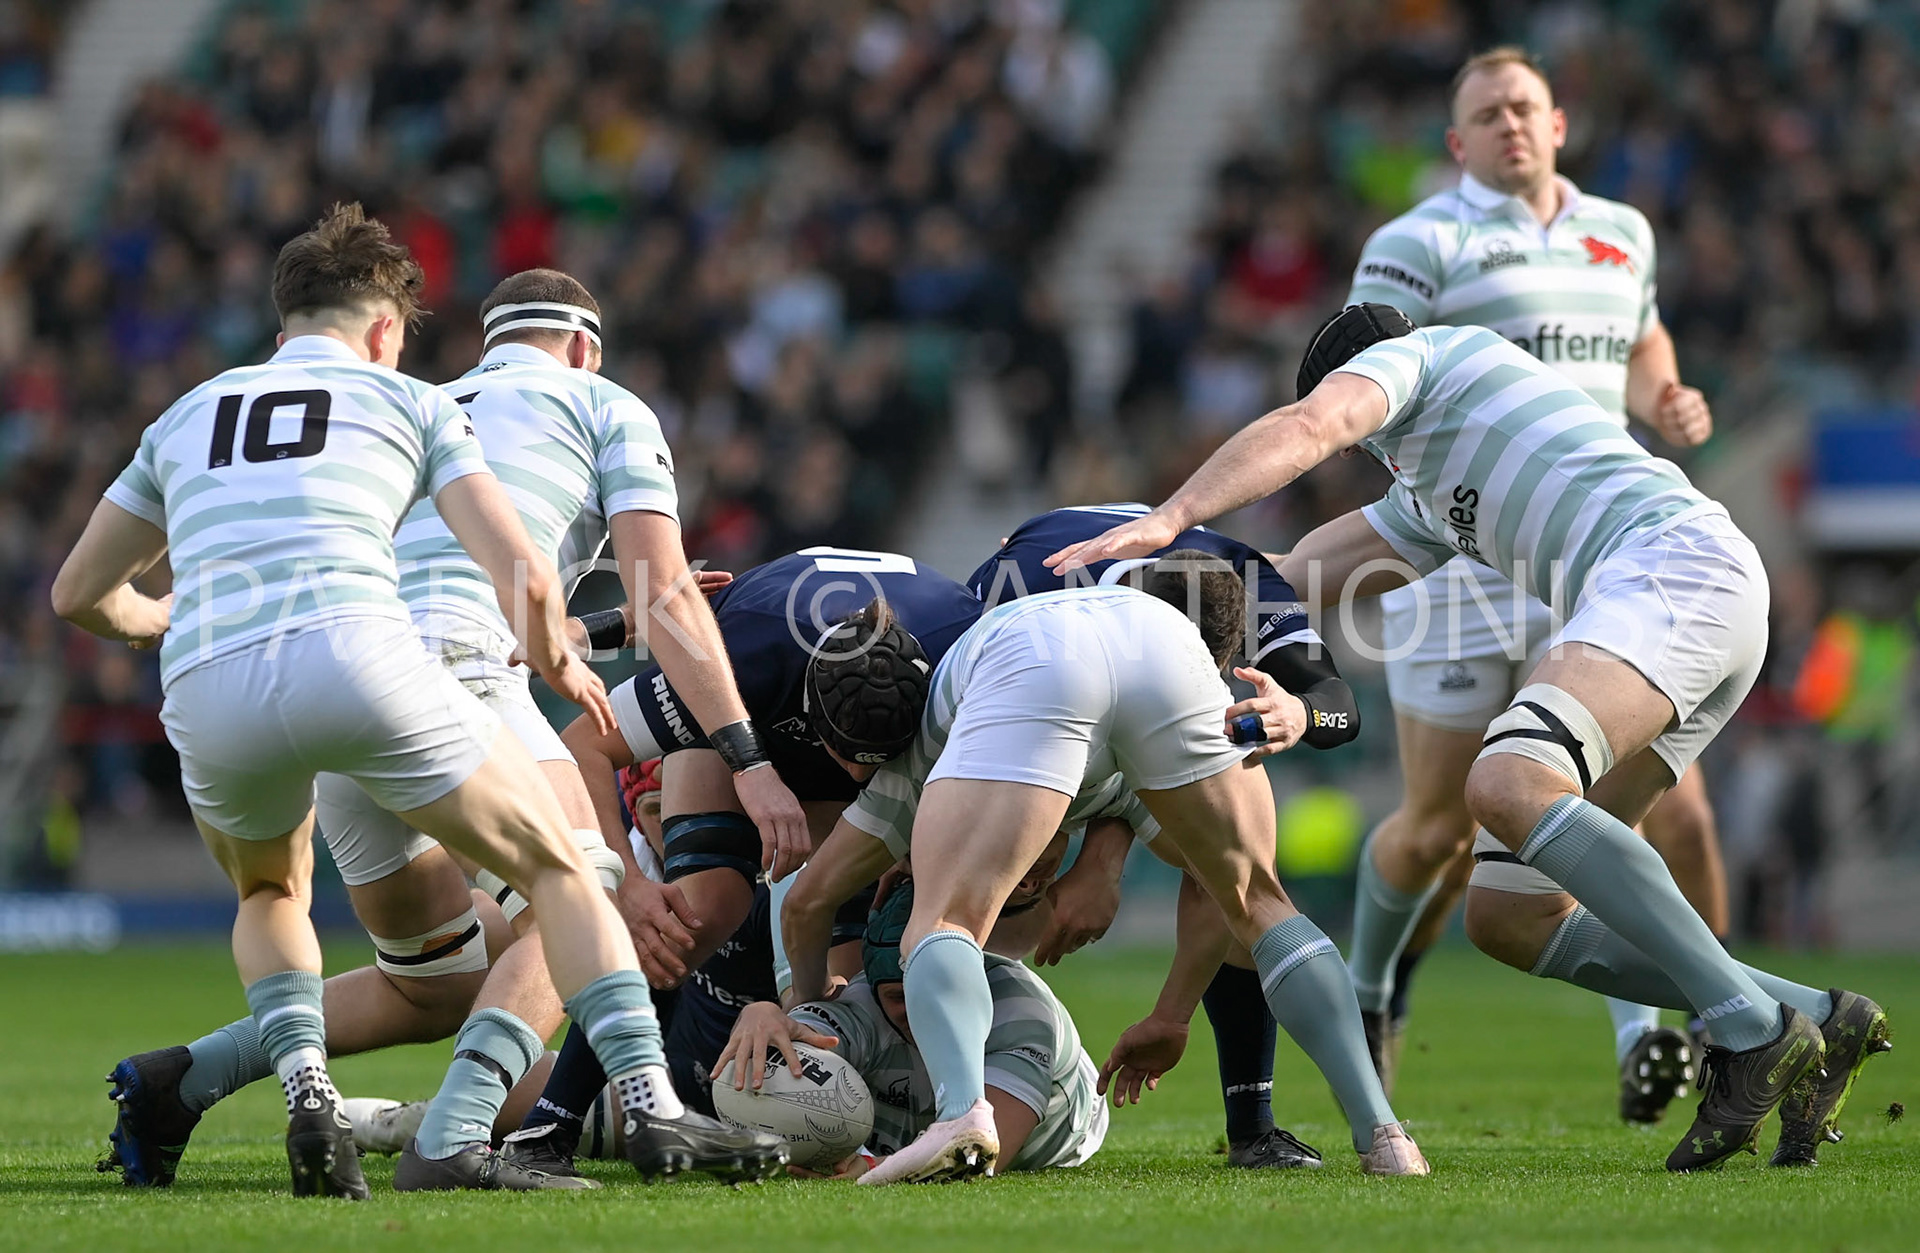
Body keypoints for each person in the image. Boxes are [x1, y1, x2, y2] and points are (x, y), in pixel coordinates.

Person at [1048, 305, 1890, 1171]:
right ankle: (1818, 1017)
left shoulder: (1430, 360)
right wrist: (1144, 605)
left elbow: (1311, 424)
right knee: (1511, 914)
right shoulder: (1426, 495)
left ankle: (1746, 1028)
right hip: (1694, 599)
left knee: (1507, 783)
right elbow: (1286, 578)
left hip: (1669, 570)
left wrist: (1170, 513)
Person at [56, 206, 772, 1198]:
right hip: (399, 667)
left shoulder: (188, 410)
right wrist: (577, 664)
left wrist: (156, 620)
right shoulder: (448, 404)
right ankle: (557, 1118)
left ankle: (210, 1080)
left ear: (280, 327)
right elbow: (530, 573)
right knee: (574, 874)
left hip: (218, 683)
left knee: (418, 970)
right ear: (390, 330)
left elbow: (76, 593)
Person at [1343, 46, 1728, 1121]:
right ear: (1456, 143)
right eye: (1485, 113)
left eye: (1525, 106)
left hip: (1597, 550)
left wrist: (1669, 397)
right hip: (1464, 556)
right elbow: (1364, 380)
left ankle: (1672, 1031)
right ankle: (1370, 993)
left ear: (1558, 124)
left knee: (1656, 799)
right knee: (1437, 827)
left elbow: (1642, 339)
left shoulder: (1623, 232)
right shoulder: (1420, 239)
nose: (1509, 122)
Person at [785, 559, 1427, 1183]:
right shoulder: (1116, 775)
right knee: (1261, 902)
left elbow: (806, 903)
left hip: (1032, 657)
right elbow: (1206, 880)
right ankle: (1384, 1135)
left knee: (945, 920)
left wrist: (809, 1010)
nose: (1029, 879)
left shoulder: (925, 754)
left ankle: (961, 1118)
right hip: (1169, 646)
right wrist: (1170, 1014)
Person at [965, 503, 1357, 1168]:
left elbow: (1339, 707)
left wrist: (1299, 707)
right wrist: (1078, 854)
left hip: (1092, 650)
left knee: (1242, 874)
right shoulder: (1023, 593)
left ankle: (1253, 1126)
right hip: (1039, 691)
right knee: (951, 881)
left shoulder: (1245, 582)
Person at [559, 548, 983, 975]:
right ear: (807, 704)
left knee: (870, 967)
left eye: (874, 759)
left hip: (837, 720)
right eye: (844, 750)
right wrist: (624, 883)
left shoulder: (970, 660)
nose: (857, 773)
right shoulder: (746, 652)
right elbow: (582, 747)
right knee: (686, 925)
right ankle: (524, 936)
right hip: (749, 718)